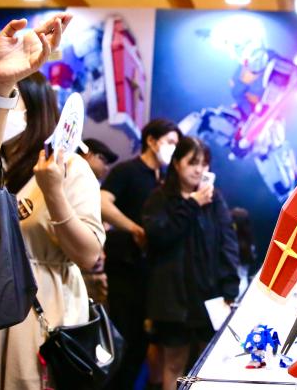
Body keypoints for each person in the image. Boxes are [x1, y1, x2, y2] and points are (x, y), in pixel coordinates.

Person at [0, 14, 99, 390]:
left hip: (42, 314)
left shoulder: (69, 168)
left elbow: (89, 256)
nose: (2, 112)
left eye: (13, 100)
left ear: (34, 110)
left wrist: (53, 192)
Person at [142, 136, 240, 390]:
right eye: (192, 162)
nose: (200, 169)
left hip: (209, 296)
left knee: (209, 364)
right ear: (176, 163)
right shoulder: (159, 199)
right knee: (173, 364)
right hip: (172, 300)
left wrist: (230, 286)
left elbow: (228, 243)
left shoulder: (215, 199)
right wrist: (192, 204)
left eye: (205, 164)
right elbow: (159, 236)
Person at [101, 118, 180, 390]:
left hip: (151, 271)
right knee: (124, 337)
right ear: (151, 140)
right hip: (124, 265)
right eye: (170, 142)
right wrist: (134, 229)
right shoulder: (127, 170)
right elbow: (102, 203)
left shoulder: (165, 180)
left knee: (142, 344)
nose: (173, 149)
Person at [77, 138, 118, 305]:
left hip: (96, 268)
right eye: (102, 159)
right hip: (77, 267)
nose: (106, 167)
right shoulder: (69, 179)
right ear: (87, 154)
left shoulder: (95, 186)